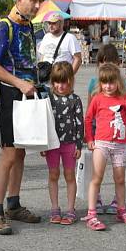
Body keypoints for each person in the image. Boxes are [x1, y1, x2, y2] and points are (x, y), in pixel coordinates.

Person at [0, 0, 44, 235]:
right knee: (9, 154)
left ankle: (14, 204)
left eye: (39, 0)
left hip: (27, 93)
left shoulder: (28, 26)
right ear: (19, 0)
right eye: (33, 0)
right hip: (9, 94)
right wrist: (19, 82)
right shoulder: (3, 27)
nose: (37, 5)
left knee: (20, 153)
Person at [82, 63, 126, 230]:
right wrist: (89, 139)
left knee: (120, 179)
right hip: (101, 144)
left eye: (112, 82)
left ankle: (121, 210)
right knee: (97, 178)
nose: (108, 86)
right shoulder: (97, 99)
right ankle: (92, 213)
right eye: (105, 82)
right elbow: (88, 119)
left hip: (120, 146)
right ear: (100, 83)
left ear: (118, 83)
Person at [41, 62, 83, 226]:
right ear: (52, 82)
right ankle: (54, 208)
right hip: (51, 144)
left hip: (70, 144)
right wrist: (42, 145)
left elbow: (80, 123)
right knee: (53, 175)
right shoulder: (48, 99)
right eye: (57, 82)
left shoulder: (75, 100)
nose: (60, 86)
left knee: (70, 176)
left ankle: (71, 210)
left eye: (64, 82)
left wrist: (79, 145)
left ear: (71, 81)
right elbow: (43, 122)